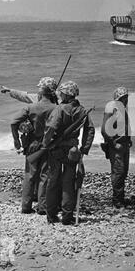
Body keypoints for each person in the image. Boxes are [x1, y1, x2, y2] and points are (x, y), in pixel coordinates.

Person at [42, 81, 95, 225]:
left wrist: (46, 143)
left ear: (66, 94)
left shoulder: (60, 109)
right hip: (73, 150)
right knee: (69, 183)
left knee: (53, 182)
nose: (59, 95)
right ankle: (67, 216)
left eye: (61, 93)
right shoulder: (82, 110)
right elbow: (90, 130)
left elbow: (51, 127)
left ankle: (51, 215)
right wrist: (85, 148)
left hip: (57, 149)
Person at [10, 77, 58, 214]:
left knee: (29, 175)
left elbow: (13, 122)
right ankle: (42, 208)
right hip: (49, 145)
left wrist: (16, 141)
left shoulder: (30, 107)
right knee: (45, 176)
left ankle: (26, 207)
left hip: (32, 145)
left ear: (41, 91)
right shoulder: (57, 108)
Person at [101, 87, 132, 208]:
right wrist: (113, 143)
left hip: (124, 144)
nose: (125, 100)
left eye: (126, 98)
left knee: (123, 172)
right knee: (118, 172)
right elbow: (104, 130)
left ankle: (120, 197)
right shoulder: (111, 109)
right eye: (123, 98)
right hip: (116, 146)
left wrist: (129, 139)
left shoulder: (122, 110)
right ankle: (117, 200)